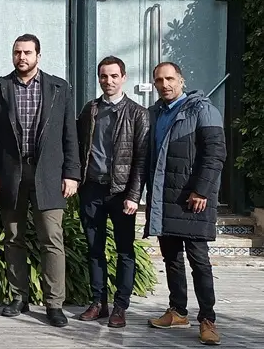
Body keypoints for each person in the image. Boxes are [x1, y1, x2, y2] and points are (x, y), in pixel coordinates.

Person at [0, 34, 80, 327]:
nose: (21, 57)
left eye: (27, 53)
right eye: (17, 52)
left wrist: (72, 173)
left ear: (38, 55)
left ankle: (54, 304)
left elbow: (69, 134)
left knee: (52, 239)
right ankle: (18, 297)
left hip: (48, 174)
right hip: (11, 174)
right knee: (13, 238)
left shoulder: (59, 88)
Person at [144, 62, 225, 346]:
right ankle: (178, 311)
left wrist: (201, 191)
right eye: (159, 80)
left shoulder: (202, 109)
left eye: (169, 79)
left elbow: (215, 153)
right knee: (172, 259)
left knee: (199, 260)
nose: (164, 84)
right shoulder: (154, 113)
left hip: (193, 200)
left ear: (181, 80)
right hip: (165, 200)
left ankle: (208, 319)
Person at [76, 56, 149, 328]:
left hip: (121, 193)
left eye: (114, 76)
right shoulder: (90, 110)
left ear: (124, 77)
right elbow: (79, 148)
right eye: (104, 76)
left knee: (124, 251)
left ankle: (120, 306)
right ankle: (98, 303)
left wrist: (134, 195)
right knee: (94, 250)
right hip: (92, 189)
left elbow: (141, 159)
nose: (108, 81)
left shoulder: (138, 114)